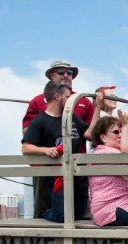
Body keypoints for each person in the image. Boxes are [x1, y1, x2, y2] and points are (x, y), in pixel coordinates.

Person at [22, 60, 94, 220]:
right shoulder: (38, 101)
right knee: (45, 208)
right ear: (52, 75)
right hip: (47, 167)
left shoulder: (82, 100)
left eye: (70, 73)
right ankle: (42, 240)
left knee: (79, 211)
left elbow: (90, 132)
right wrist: (47, 147)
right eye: (61, 72)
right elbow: (27, 132)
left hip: (76, 164)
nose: (66, 75)